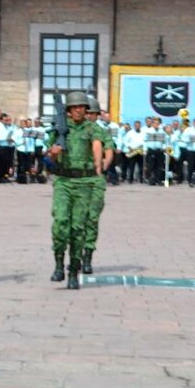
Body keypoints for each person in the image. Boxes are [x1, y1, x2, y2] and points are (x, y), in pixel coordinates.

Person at [47, 91, 103, 290]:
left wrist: (98, 164)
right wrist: (53, 153)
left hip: (84, 182)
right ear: (68, 110)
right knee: (61, 222)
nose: (78, 110)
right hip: (63, 181)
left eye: (82, 107)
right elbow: (48, 156)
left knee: (78, 228)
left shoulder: (92, 128)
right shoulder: (59, 128)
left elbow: (97, 145)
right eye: (74, 107)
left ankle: (74, 270)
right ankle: (58, 264)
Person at [83, 98, 114, 275]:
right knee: (75, 221)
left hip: (95, 180)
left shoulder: (101, 132)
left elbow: (109, 149)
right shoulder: (73, 131)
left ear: (97, 115)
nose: (88, 116)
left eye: (92, 113)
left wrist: (104, 163)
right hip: (76, 180)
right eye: (86, 113)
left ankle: (87, 256)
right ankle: (76, 256)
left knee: (92, 218)